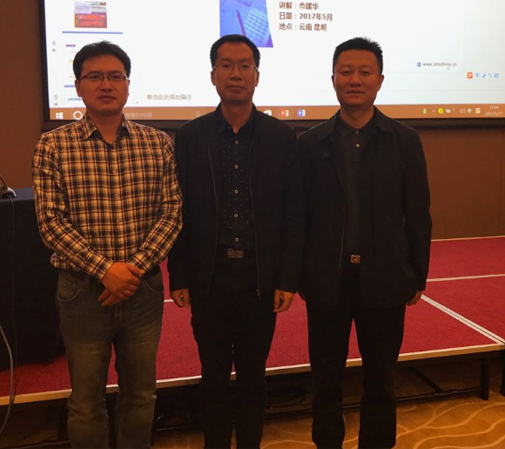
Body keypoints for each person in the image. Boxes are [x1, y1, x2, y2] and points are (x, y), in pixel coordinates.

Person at [32, 41, 182, 449]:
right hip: (82, 292)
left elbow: (172, 213)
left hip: (142, 291)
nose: (106, 84)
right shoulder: (53, 145)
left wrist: (131, 271)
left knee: (141, 395)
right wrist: (106, 271)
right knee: (85, 401)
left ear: (128, 85)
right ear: (78, 86)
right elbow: (50, 222)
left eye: (115, 76)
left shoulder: (158, 143)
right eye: (95, 77)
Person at [168, 34, 304, 449]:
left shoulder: (281, 137)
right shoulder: (190, 137)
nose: (236, 74)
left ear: (257, 76)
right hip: (209, 276)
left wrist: (287, 278)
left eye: (245, 66)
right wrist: (179, 275)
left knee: (252, 376)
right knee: (212, 375)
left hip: (259, 277)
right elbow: (178, 211)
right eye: (226, 65)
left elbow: (293, 213)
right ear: (213, 76)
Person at [298, 37, 432, 449]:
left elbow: (418, 214)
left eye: (364, 72)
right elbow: (298, 217)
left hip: (385, 279)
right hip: (327, 282)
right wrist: (299, 276)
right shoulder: (310, 143)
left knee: (381, 381)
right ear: (333, 79)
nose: (354, 79)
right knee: (325, 381)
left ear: (380, 80)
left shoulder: (404, 140)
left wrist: (417, 276)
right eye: (346, 71)